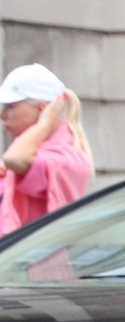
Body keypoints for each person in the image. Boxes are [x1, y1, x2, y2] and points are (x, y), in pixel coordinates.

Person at [1, 63, 92, 234]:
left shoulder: (67, 157)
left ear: (41, 109)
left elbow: (14, 159)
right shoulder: (29, 150)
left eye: (10, 106)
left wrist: (44, 125)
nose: (2, 115)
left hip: (34, 259)